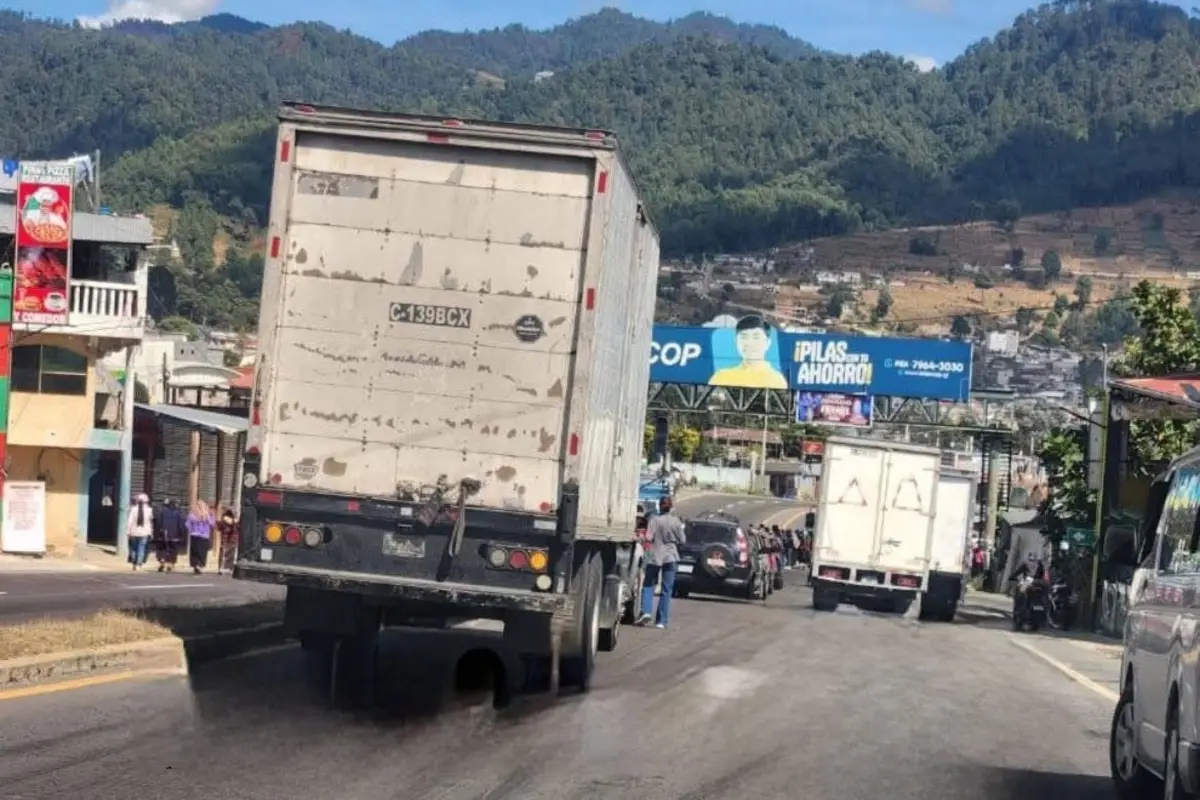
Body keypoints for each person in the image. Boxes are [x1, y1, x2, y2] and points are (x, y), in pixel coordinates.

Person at [638, 496, 686, 629]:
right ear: (670, 507)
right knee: (666, 590)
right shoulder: (676, 521)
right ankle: (661, 621)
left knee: (648, 585)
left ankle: (646, 611)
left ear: (659, 506)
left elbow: (648, 537)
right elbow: (683, 540)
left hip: (655, 556)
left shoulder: (654, 520)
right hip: (671, 556)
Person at [707, 315, 788, 389]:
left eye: (756, 337)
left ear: (768, 343)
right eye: (744, 337)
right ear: (736, 342)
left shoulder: (776, 380)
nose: (749, 343)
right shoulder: (721, 377)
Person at [155, 498, 186, 572]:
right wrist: (182, 534)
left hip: (163, 534)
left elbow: (158, 522)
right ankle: (170, 563)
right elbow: (181, 525)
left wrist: (157, 533)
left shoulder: (162, 512)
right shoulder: (178, 513)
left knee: (162, 548)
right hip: (174, 535)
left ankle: (162, 559)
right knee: (173, 549)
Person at [187, 499, 216, 574]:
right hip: (204, 536)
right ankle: (200, 565)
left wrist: (192, 530)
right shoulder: (207, 514)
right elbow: (212, 524)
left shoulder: (193, 514)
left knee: (194, 552)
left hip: (194, 535)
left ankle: (195, 565)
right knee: (202, 552)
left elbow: (188, 525)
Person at [126, 493, 153, 570]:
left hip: (134, 532)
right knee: (141, 548)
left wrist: (128, 531)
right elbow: (150, 522)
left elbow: (129, 521)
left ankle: (134, 564)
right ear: (146, 502)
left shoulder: (133, 509)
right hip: (144, 532)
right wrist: (151, 532)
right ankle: (139, 564)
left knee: (134, 548)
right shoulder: (149, 510)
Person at [216, 507, 239, 575]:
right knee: (231, 554)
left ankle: (221, 568)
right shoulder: (236, 521)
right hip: (233, 540)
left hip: (224, 539)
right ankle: (229, 568)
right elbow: (238, 529)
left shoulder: (224, 521)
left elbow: (219, 528)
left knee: (223, 554)